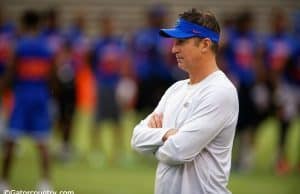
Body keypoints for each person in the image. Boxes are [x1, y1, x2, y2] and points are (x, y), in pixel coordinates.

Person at [131, 8, 239, 194]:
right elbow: (136, 138)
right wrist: (166, 135)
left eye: (181, 41)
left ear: (205, 44)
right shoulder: (176, 89)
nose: (173, 49)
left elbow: (177, 151)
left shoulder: (221, 92)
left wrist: (155, 141)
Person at [0, 10, 55, 191]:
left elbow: (10, 73)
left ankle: (4, 183)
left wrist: (4, 88)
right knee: (43, 142)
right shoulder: (46, 47)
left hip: (22, 98)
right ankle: (45, 184)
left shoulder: (19, 46)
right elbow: (52, 75)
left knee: (10, 141)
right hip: (40, 98)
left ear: (23, 24)